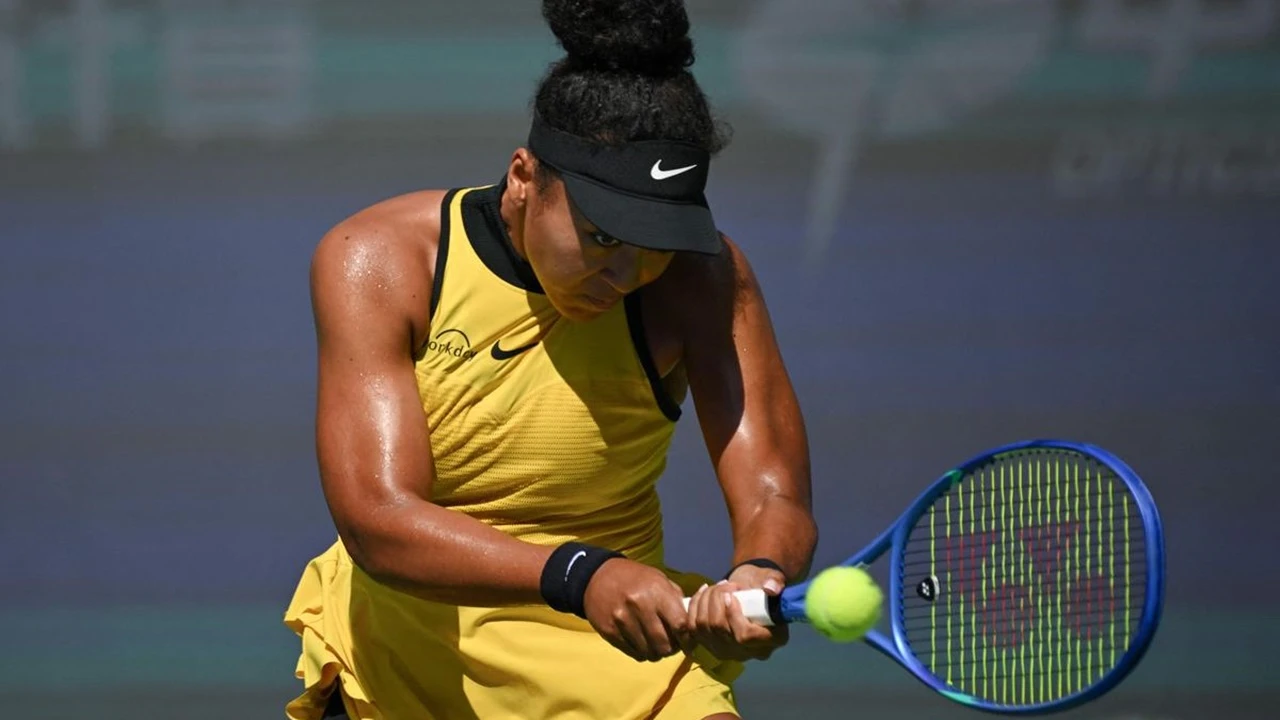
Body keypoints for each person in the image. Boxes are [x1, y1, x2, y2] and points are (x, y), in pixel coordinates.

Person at [283, 1, 816, 718]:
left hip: (615, 646)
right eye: (603, 237)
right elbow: (379, 519)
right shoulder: (379, 259)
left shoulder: (703, 279)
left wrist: (761, 572)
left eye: (655, 245)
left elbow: (773, 493)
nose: (627, 273)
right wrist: (581, 574)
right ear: (524, 177)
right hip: (406, 646)